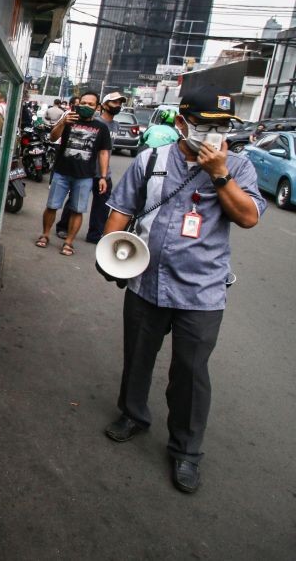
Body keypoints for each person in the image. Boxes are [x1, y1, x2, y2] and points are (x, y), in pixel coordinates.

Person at [98, 86, 264, 493]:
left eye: (224, 127)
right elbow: (121, 208)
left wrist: (219, 174)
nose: (217, 134)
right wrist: (109, 255)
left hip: (202, 292)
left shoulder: (238, 167)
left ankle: (186, 451)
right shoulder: (150, 160)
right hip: (145, 281)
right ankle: (133, 415)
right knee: (138, 355)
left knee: (191, 372)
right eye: (209, 126)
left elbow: (248, 218)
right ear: (184, 123)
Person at [34, 91, 111, 255]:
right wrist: (62, 122)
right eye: (83, 103)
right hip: (61, 172)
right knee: (52, 206)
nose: (86, 106)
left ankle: (69, 242)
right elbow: (53, 138)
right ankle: (45, 235)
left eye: (90, 104)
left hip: (85, 176)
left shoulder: (102, 128)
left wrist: (103, 177)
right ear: (77, 104)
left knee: (77, 210)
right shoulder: (68, 120)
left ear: (97, 107)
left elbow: (104, 153)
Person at [56, 91, 126, 243]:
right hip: (85, 170)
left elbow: (106, 151)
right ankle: (63, 227)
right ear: (104, 105)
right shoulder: (96, 122)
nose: (117, 105)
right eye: (114, 102)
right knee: (75, 201)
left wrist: (104, 174)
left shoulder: (116, 125)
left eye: (120, 103)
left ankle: (95, 235)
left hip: (103, 173)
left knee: (102, 205)